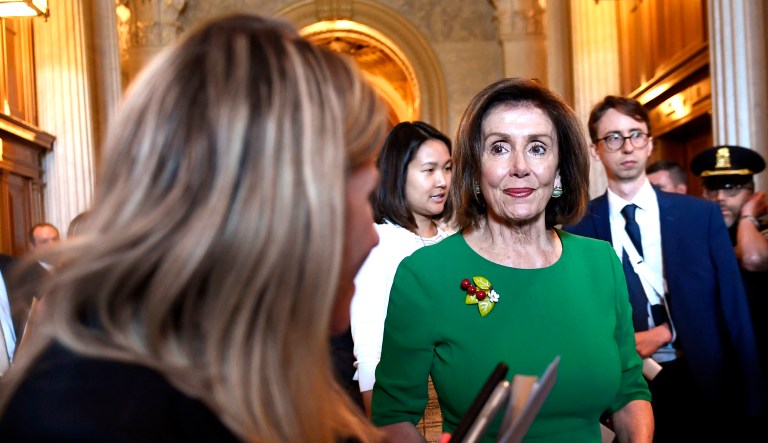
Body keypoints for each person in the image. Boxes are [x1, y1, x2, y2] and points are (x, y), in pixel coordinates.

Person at [0, 13, 389, 443]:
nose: (374, 235)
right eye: (367, 196)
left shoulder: (247, 360)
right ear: (289, 207)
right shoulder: (90, 417)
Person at [372, 78, 653, 443]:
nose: (520, 166)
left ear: (559, 169)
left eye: (537, 148)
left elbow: (629, 390)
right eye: (500, 148)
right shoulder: (425, 275)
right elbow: (391, 418)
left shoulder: (600, 263)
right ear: (475, 168)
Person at [565, 96, 763, 441]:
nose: (626, 147)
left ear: (650, 143)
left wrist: (755, 401)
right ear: (596, 149)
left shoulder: (699, 216)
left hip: (699, 376)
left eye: (635, 135)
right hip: (623, 385)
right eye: (613, 137)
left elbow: (733, 309)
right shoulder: (578, 226)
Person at [351, 121, 452, 418]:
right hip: (408, 403)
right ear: (398, 174)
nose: (442, 181)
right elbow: (369, 349)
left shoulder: (453, 241)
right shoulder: (377, 242)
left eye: (447, 168)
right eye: (429, 170)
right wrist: (382, 426)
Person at [691, 145, 768, 382]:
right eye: (712, 189)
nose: (720, 198)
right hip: (716, 362)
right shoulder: (697, 235)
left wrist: (747, 217)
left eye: (731, 188)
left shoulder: (761, 231)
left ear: (752, 194)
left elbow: (753, 259)